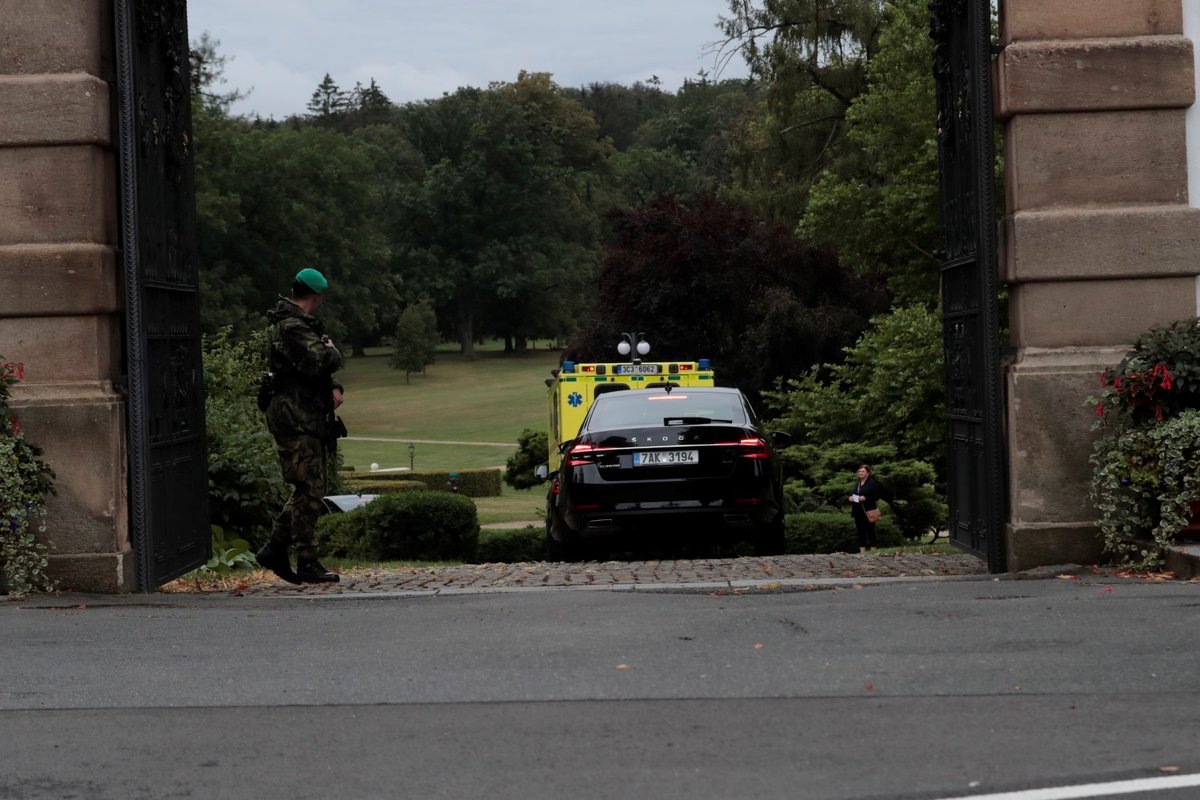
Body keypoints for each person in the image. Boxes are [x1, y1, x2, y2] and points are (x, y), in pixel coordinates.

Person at [255, 267, 344, 584]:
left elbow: (309, 368)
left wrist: (332, 384)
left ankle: (275, 549)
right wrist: (332, 350)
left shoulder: (299, 324)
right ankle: (306, 561)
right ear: (316, 297)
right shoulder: (293, 325)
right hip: (293, 414)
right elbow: (319, 360)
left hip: (302, 411)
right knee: (309, 487)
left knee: (310, 487)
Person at [848, 464, 881, 554]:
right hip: (857, 510)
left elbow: (876, 496)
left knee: (870, 530)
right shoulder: (857, 483)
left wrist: (866, 498)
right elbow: (856, 495)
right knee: (860, 531)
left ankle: (873, 550)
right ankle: (862, 551)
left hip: (868, 510)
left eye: (863, 471)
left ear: (868, 473)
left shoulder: (872, 483)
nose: (861, 473)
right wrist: (851, 498)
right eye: (859, 471)